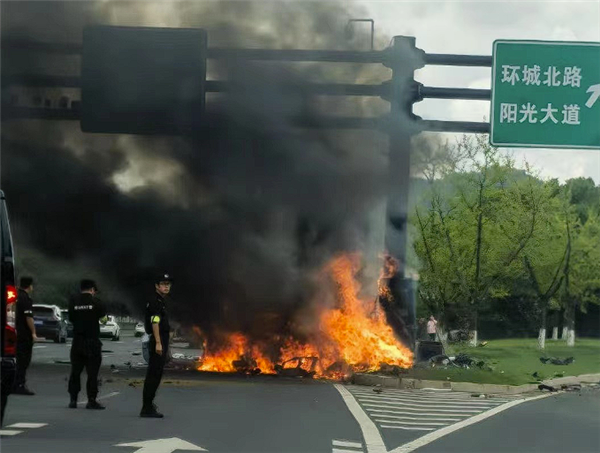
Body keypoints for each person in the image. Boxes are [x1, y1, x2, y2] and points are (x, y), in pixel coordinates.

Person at [68, 279, 107, 410]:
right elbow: (104, 319)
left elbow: (71, 318)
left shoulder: (73, 301)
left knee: (75, 372)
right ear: (92, 290)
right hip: (92, 342)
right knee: (92, 373)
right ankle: (91, 400)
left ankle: (73, 400)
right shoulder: (97, 302)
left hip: (77, 341)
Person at [141, 273, 173, 418]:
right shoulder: (155, 301)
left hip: (160, 339)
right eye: (163, 284)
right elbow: (155, 322)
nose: (166, 286)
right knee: (154, 375)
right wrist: (159, 343)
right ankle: (146, 407)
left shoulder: (160, 301)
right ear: (156, 286)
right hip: (157, 340)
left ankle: (149, 404)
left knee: (156, 374)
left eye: (168, 284)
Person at [13, 277, 37, 395]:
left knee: (16, 360)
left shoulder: (15, 297)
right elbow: (29, 317)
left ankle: (13, 384)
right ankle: (20, 385)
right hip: (24, 335)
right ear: (30, 286)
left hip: (15, 332)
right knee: (24, 361)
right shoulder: (26, 299)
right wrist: (33, 333)